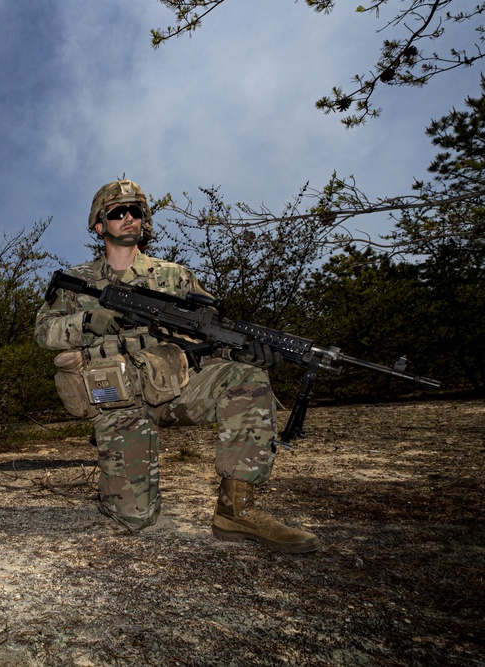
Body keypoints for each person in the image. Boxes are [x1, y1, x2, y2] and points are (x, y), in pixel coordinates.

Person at [35, 179, 319, 553]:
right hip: (117, 401)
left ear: (144, 221)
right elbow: (43, 331)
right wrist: (88, 323)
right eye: (117, 213)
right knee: (135, 519)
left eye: (135, 211)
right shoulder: (77, 282)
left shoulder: (175, 277)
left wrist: (245, 352)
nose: (128, 218)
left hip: (176, 388)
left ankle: (237, 511)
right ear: (100, 225)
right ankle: (118, 490)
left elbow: (211, 333)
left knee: (246, 378)